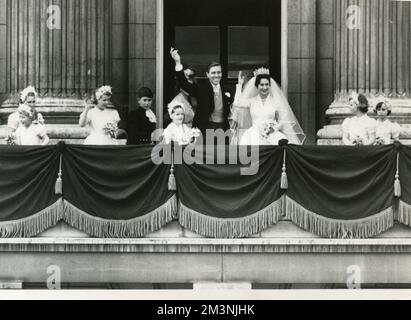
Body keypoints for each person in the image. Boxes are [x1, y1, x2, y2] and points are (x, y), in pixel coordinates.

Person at [230, 68, 306, 146]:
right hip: (254, 134)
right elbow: (237, 103)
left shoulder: (276, 102)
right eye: (261, 85)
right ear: (257, 86)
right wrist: (239, 86)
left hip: (272, 134)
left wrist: (274, 128)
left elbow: (283, 120)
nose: (264, 87)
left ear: (270, 85)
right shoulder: (252, 101)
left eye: (267, 84)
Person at [170, 48, 233, 137]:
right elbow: (184, 84)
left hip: (223, 128)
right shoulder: (201, 88)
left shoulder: (227, 90)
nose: (216, 75)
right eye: (213, 73)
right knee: (207, 151)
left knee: (222, 151)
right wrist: (178, 63)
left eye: (219, 72)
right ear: (207, 74)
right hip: (206, 127)